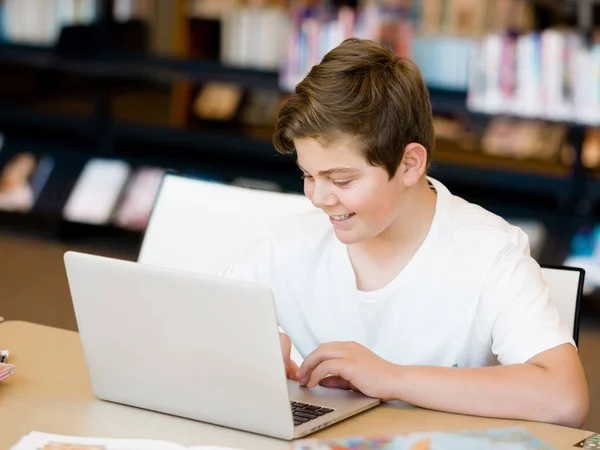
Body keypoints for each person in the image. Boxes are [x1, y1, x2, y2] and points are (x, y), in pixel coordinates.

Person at [223, 38, 589, 427]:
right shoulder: (289, 243)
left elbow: (564, 398)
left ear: (410, 163)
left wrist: (390, 378)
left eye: (342, 179)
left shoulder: (488, 253)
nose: (318, 197)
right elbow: (202, 330)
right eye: (307, 176)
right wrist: (242, 357)